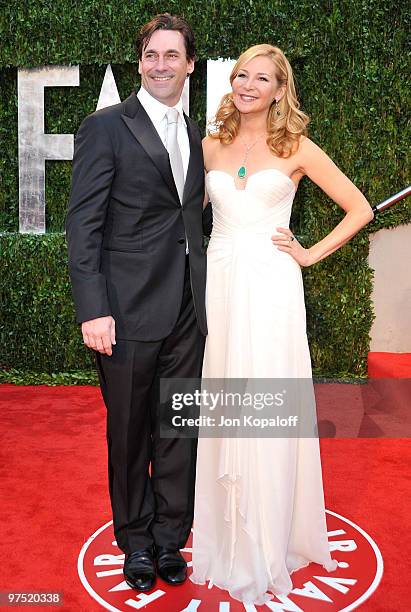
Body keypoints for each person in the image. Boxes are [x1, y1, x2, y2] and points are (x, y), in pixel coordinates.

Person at [190, 44, 374, 604]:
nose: (248, 84)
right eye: (242, 74)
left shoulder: (296, 147)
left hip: (271, 287)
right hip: (218, 285)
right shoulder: (209, 145)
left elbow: (359, 208)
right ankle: (226, 532)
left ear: (278, 89)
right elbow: (183, 214)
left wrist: (310, 253)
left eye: (261, 78)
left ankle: (267, 539)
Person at [66, 14, 207, 592]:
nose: (160, 65)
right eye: (151, 55)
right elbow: (83, 225)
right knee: (128, 433)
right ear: (139, 62)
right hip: (123, 313)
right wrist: (92, 308)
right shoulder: (106, 127)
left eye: (172, 55)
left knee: (178, 428)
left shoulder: (197, 132)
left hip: (187, 311)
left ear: (189, 65)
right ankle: (137, 541)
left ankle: (172, 539)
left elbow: (191, 218)